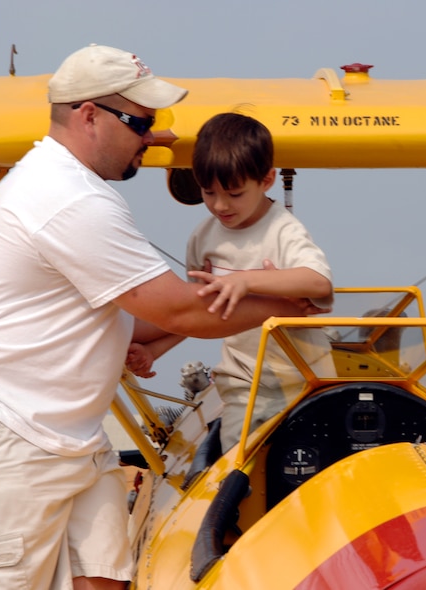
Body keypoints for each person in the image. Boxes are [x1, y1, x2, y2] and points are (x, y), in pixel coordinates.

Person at [0, 45, 312, 590]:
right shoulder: (69, 199)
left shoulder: (50, 182)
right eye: (141, 121)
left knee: (105, 577)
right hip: (9, 440)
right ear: (89, 116)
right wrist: (292, 297)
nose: (152, 135)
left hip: (70, 440)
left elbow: (130, 319)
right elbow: (175, 306)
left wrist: (171, 329)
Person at [127, 112, 334, 451]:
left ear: (266, 180)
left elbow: (319, 283)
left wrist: (248, 281)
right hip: (244, 384)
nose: (220, 205)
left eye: (235, 194)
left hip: (307, 378)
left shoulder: (282, 230)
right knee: (240, 467)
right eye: (209, 193)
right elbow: (200, 312)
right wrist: (154, 349)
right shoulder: (203, 238)